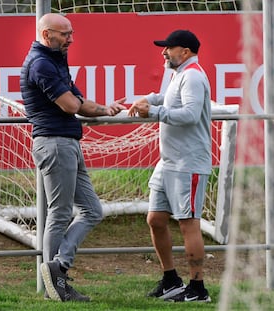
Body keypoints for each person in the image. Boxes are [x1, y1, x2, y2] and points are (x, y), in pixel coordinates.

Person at [19, 13, 126, 302]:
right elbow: (70, 105)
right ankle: (56, 282)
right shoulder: (41, 63)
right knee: (60, 213)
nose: (71, 39)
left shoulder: (54, 60)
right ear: (46, 35)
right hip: (54, 143)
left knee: (92, 210)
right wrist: (84, 106)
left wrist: (105, 109)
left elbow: (80, 101)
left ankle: (58, 267)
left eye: (71, 33)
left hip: (67, 143)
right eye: (65, 34)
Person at [128, 30, 212, 303]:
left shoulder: (194, 76)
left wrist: (151, 112)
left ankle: (198, 289)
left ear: (184, 52)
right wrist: (149, 100)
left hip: (189, 163)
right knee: (155, 219)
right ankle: (171, 281)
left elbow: (188, 115)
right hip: (169, 162)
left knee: (188, 224)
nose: (163, 52)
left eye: (168, 48)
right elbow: (167, 98)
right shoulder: (180, 74)